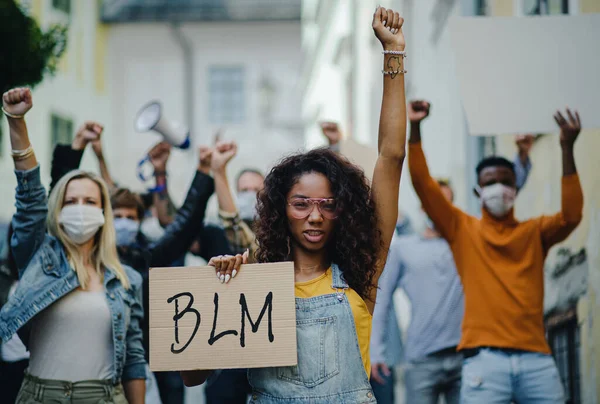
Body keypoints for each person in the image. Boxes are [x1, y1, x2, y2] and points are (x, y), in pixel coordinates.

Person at [180, 7, 407, 403]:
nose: (315, 215)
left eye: (327, 204)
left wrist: (393, 55)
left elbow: (390, 156)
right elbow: (191, 375)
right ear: (280, 210)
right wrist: (218, 290)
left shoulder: (362, 273)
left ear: (343, 210)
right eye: (301, 203)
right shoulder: (256, 278)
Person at [408, 98, 583, 402]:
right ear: (478, 191)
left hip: (537, 360)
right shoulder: (462, 229)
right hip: (484, 364)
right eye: (490, 183)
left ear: (515, 189)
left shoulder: (534, 232)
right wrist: (415, 128)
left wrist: (567, 149)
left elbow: (571, 216)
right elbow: (423, 185)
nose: (498, 189)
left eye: (506, 182)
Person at [370, 100, 536, 404]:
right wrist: (376, 350)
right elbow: (381, 301)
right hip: (421, 358)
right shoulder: (404, 249)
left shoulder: (466, 239)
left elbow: (503, 195)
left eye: (448, 202)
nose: (440, 209)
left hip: (467, 355)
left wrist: (522, 156)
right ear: (425, 206)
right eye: (437, 202)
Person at [0, 87, 146, 403]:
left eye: (90, 201)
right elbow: (30, 199)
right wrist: (16, 123)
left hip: (104, 396)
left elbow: (134, 358)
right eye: (71, 201)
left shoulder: (127, 279)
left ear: (103, 212)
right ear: (59, 210)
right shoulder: (40, 258)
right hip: (41, 395)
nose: (80, 207)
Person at [50, 133, 218, 404]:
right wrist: (76, 149)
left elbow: (182, 227)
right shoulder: (74, 257)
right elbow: (58, 199)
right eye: (118, 217)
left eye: (131, 218)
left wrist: (203, 172)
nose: (125, 223)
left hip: (141, 369)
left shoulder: (144, 257)